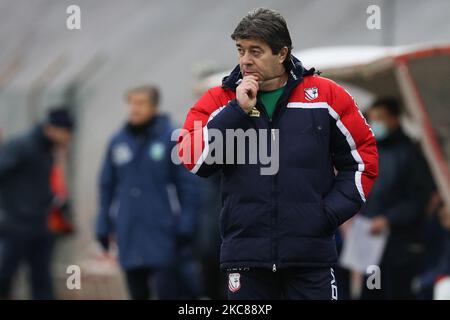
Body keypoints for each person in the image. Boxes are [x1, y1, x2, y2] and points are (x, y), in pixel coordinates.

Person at [178, 8, 378, 300]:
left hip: (310, 257)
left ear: (281, 53)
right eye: (240, 50)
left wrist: (327, 214)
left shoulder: (326, 97)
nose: (245, 60)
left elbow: (364, 159)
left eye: (255, 51)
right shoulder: (219, 99)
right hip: (246, 259)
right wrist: (237, 111)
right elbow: (193, 160)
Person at [96, 85, 200, 299]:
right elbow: (106, 185)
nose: (134, 109)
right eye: (131, 103)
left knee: (169, 292)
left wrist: (186, 225)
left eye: (141, 103)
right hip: (129, 234)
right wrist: (103, 223)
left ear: (154, 106)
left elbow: (188, 186)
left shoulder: (171, 138)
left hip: (164, 234)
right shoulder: (118, 141)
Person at [360, 98, 434, 299]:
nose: (375, 123)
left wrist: (389, 218)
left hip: (401, 245)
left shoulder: (410, 153)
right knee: (372, 292)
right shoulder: (370, 151)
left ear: (395, 119)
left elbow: (420, 198)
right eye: (372, 119)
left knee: (397, 292)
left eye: (381, 118)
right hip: (369, 243)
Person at [0, 108, 74, 299]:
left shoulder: (46, 151)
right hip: (14, 225)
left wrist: (56, 203)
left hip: (40, 224)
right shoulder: (22, 146)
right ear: (54, 129)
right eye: (67, 133)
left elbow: (37, 185)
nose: (68, 138)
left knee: (41, 279)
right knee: (4, 276)